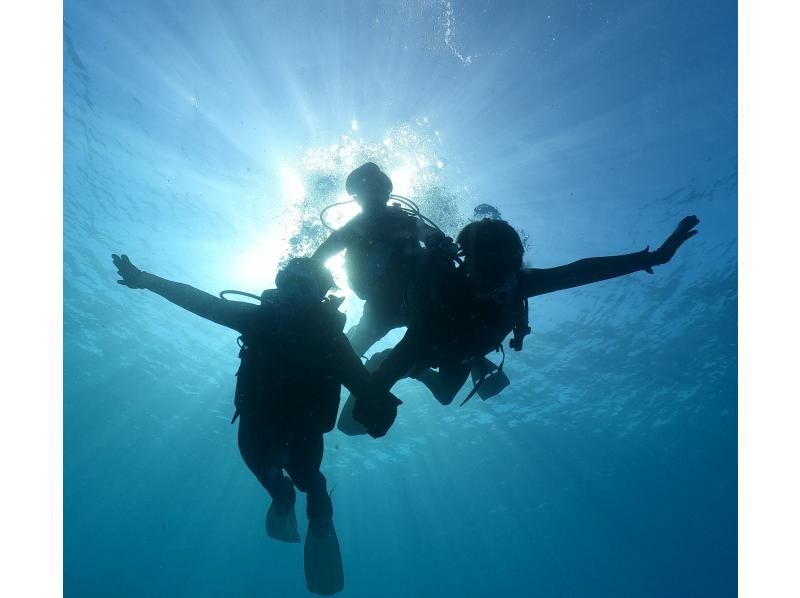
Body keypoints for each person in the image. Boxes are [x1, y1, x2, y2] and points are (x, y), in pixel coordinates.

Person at [111, 254, 399, 596]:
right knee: (264, 469)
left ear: (319, 294)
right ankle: (281, 494)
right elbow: (199, 301)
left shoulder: (331, 341)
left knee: (310, 481)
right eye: (285, 282)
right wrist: (145, 279)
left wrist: (380, 405)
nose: (292, 292)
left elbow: (362, 383)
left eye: (303, 286)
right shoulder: (261, 319)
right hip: (256, 428)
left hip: (303, 431)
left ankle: (318, 507)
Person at [346, 215, 700, 439]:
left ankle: (422, 373)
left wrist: (653, 257)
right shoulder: (444, 295)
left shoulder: (520, 283)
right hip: (435, 345)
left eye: (509, 266)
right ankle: (402, 363)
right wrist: (373, 396)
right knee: (410, 366)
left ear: (516, 263)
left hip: (466, 351)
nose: (500, 279)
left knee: (443, 396)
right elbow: (402, 356)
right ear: (468, 265)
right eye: (488, 267)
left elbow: (582, 270)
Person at [312, 162, 456, 357]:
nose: (373, 196)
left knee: (352, 352)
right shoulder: (355, 227)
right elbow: (320, 257)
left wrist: (439, 242)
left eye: (377, 189)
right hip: (385, 304)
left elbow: (319, 257)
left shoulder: (404, 220)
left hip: (410, 299)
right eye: (368, 191)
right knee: (351, 352)